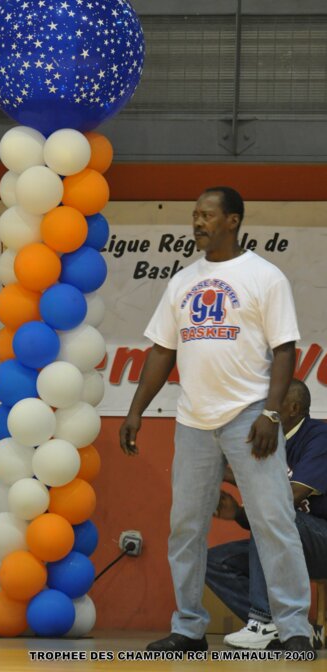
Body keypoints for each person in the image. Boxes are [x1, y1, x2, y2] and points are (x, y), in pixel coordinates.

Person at [119, 186, 315, 655]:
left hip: (249, 415)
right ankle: (188, 629)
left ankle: (293, 628)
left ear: (233, 220)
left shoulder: (264, 277)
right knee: (185, 527)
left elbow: (284, 349)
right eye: (195, 215)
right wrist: (135, 410)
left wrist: (271, 411)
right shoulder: (182, 281)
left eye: (207, 215)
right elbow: (162, 351)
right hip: (193, 420)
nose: (197, 223)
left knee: (273, 521)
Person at [206, 378, 327, 650]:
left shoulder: (319, 437)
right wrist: (238, 514)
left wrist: (233, 476)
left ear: (294, 408)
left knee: (271, 514)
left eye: (273, 403)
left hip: (321, 541)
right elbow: (268, 506)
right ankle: (287, 628)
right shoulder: (271, 442)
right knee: (213, 562)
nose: (265, 409)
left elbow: (290, 497)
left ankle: (263, 619)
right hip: (290, 541)